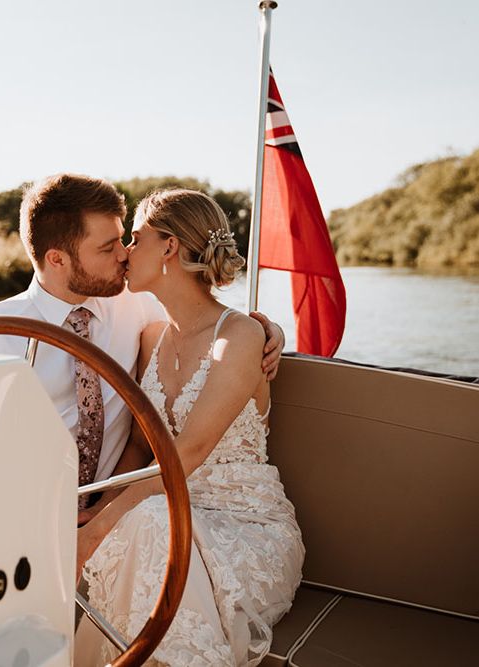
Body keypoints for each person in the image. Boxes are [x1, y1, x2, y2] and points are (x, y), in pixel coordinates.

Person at [74, 189, 305, 666]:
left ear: (170, 247)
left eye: (136, 239)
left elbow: (187, 453)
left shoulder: (240, 336)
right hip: (168, 515)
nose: (125, 252)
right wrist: (96, 504)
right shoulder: (156, 338)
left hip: (242, 528)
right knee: (149, 523)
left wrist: (94, 533)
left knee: (150, 523)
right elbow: (141, 445)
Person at [0, 174, 285, 492]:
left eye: (125, 239)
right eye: (107, 247)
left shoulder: (139, 304)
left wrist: (267, 330)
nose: (123, 253)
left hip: (119, 503)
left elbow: (207, 325)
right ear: (57, 259)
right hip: (22, 510)